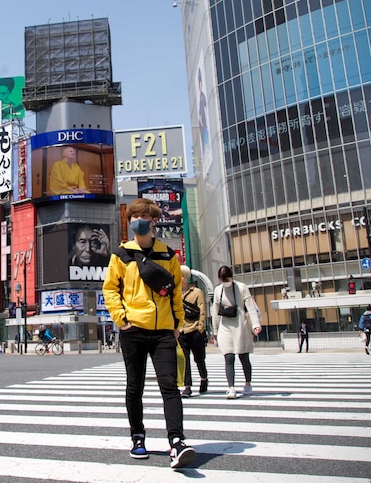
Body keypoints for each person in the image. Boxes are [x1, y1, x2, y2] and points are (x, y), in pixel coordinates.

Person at [102, 197, 196, 470]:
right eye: (133, 217)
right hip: (134, 330)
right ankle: (137, 436)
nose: (137, 221)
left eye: (143, 216)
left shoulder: (168, 254)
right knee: (135, 386)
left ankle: (177, 441)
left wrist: (177, 324)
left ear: (154, 221)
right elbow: (110, 289)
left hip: (164, 331)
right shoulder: (121, 255)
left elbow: (176, 292)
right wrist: (121, 320)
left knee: (170, 387)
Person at [211, 265, 261, 399]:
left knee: (244, 356)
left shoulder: (241, 287)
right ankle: (231, 387)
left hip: (240, 325)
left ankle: (248, 383)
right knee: (228, 357)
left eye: (227, 279)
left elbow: (250, 307)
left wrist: (256, 324)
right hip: (225, 326)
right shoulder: (218, 290)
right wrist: (214, 330)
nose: (225, 282)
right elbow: (215, 312)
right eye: (223, 280)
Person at [177, 265, 208, 398]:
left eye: (180, 275)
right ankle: (187, 386)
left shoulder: (196, 292)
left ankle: (203, 378)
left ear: (185, 277)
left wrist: (200, 328)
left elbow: (202, 311)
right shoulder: (175, 293)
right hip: (181, 331)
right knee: (185, 360)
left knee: (199, 358)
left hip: (194, 330)